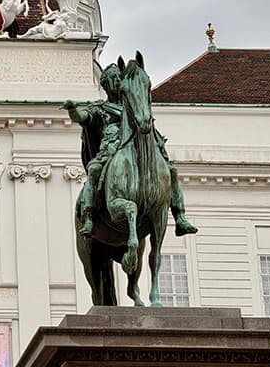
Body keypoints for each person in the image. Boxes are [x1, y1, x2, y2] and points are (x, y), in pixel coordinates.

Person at [62, 64, 197, 238]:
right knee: (94, 170)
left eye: (119, 78)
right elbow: (82, 118)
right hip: (110, 149)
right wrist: (73, 110)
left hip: (138, 148)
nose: (117, 81)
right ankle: (88, 216)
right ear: (105, 84)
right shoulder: (100, 108)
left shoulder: (133, 105)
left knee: (170, 171)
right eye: (113, 78)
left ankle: (179, 216)